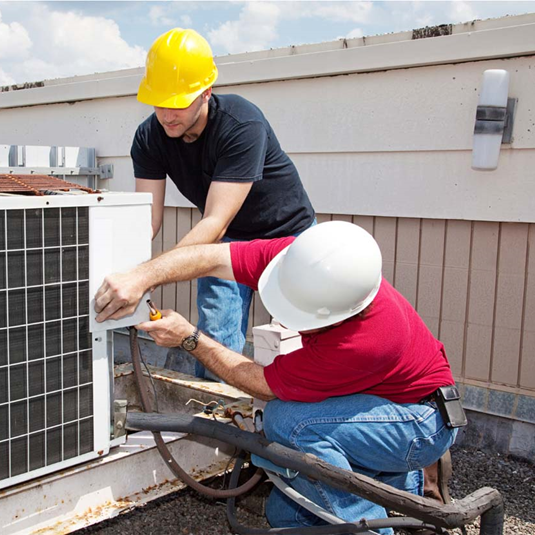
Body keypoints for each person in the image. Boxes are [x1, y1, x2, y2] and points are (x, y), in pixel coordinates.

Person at [94, 221, 460, 534]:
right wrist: (142, 275)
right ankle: (403, 484)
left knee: (289, 423)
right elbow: (211, 256)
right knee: (284, 516)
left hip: (419, 421)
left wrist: (190, 339)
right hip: (381, 403)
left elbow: (263, 385)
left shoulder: (366, 341)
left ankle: (376, 519)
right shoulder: (303, 260)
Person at [132, 28, 315, 378]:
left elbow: (215, 220)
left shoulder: (241, 123)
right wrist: (127, 268)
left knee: (305, 334)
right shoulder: (149, 137)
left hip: (289, 237)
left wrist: (149, 275)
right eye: (160, 103)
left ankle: (298, 417)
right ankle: (217, 420)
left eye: (180, 102)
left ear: (205, 93)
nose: (168, 114)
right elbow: (148, 219)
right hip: (227, 242)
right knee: (215, 336)